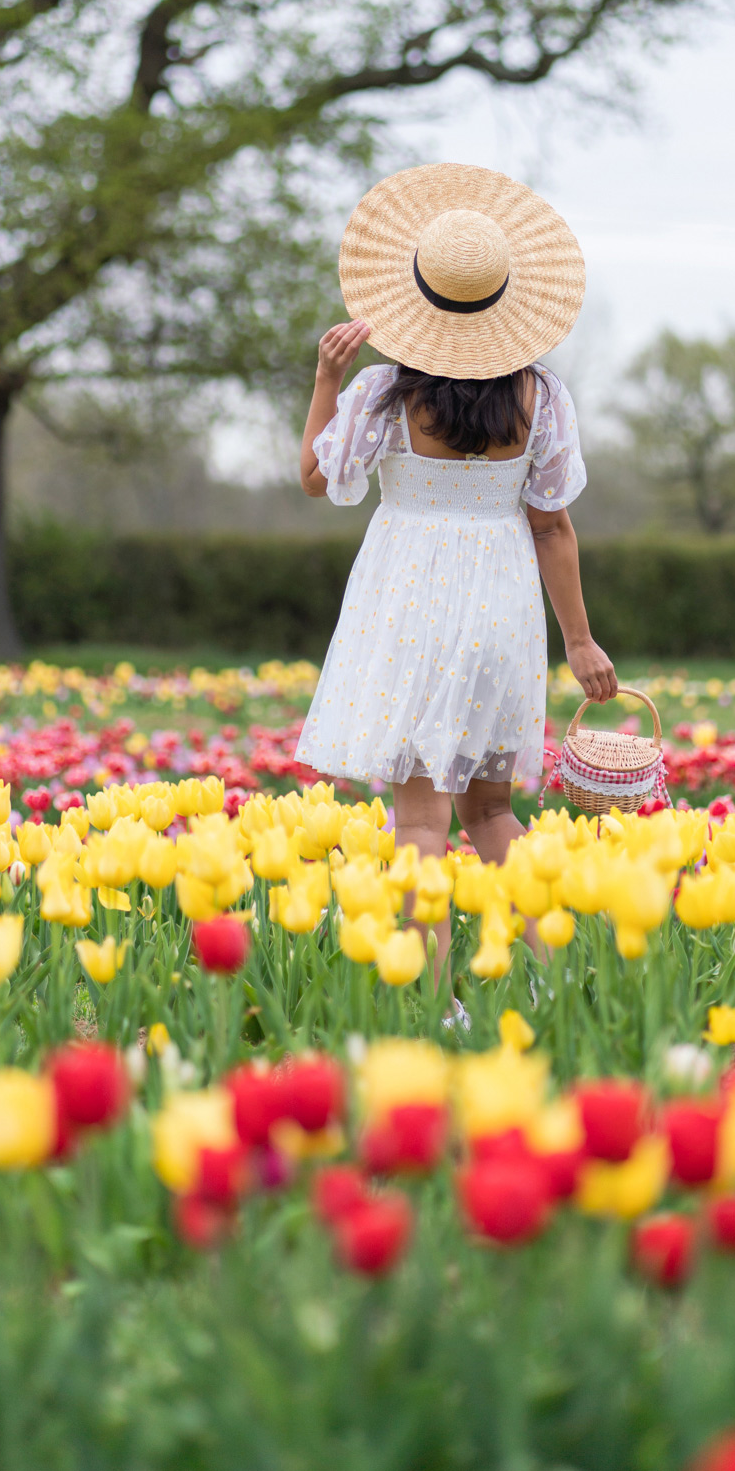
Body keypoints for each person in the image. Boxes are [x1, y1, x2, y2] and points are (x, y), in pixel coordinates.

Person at [295, 162, 617, 968]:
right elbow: (552, 526)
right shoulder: (541, 396)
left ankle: (433, 998)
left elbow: (314, 478)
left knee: (418, 824)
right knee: (491, 814)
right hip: (500, 600)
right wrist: (579, 641)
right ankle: (552, 981)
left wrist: (327, 379)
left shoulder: (382, 392)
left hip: (407, 600)